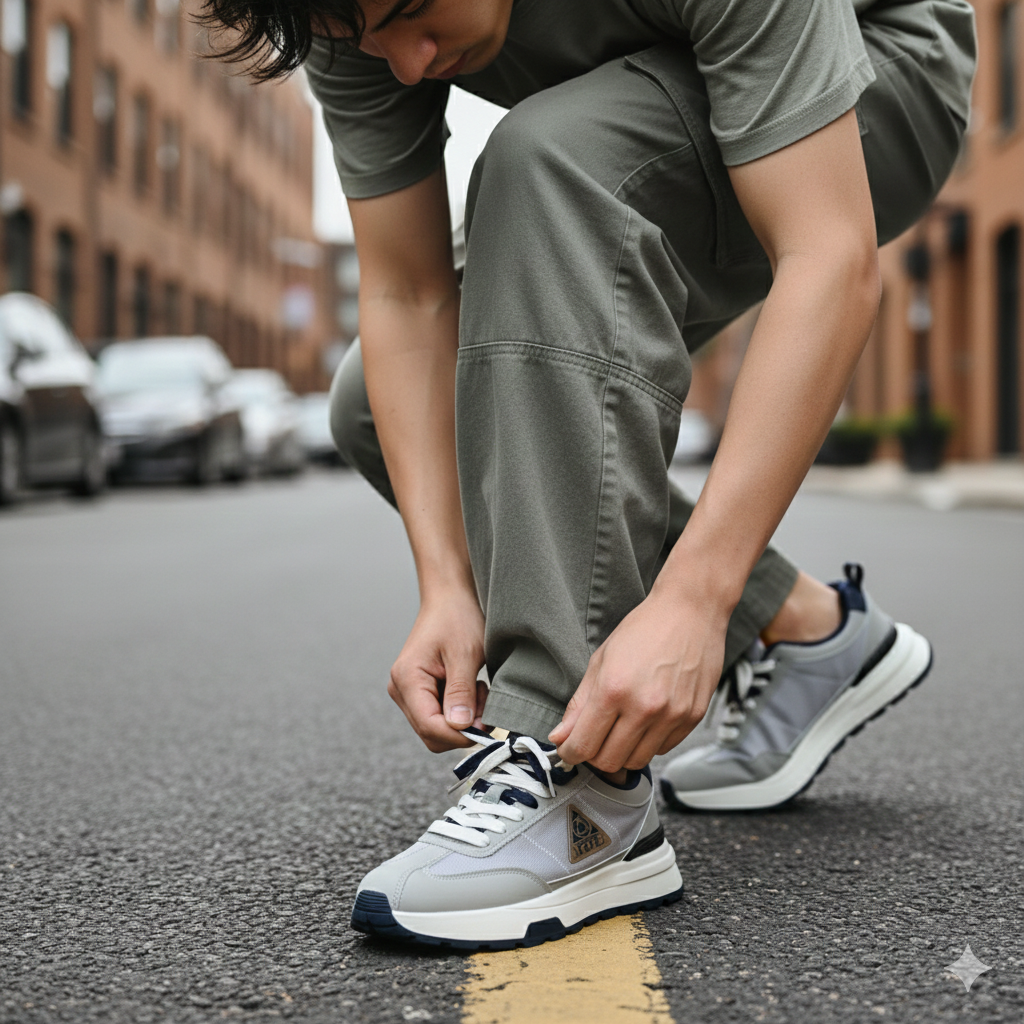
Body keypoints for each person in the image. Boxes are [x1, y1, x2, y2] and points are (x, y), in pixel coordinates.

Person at [205, 0, 975, 949]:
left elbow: (830, 257)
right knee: (381, 400)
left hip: (876, 81)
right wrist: (446, 586)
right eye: (369, 40)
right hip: (633, 112)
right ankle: (811, 632)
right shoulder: (344, 14)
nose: (407, 65)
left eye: (411, 15)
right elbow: (405, 296)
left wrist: (696, 598)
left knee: (550, 157)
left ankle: (583, 789)